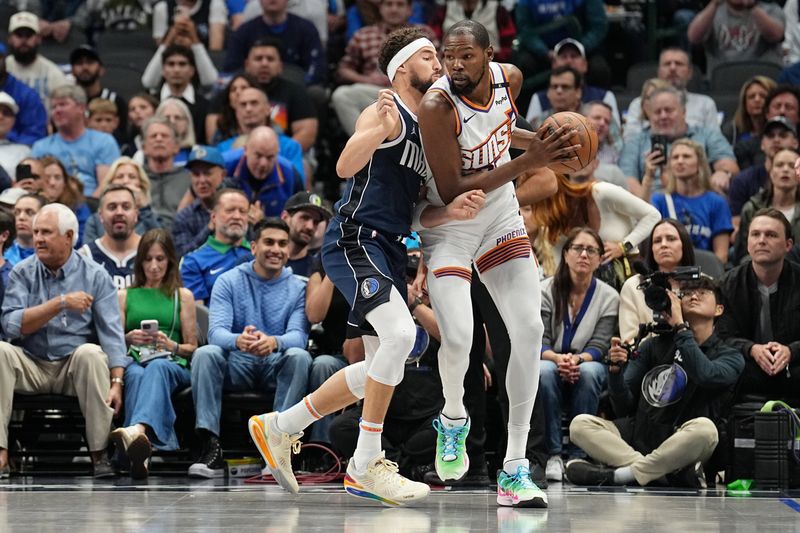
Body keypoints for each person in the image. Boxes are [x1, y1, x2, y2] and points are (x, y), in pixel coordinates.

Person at [246, 27, 485, 505]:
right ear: (402, 69)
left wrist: (450, 213)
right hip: (357, 237)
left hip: (392, 245)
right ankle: (365, 463)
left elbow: (417, 212)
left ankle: (281, 426)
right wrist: (375, 128)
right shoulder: (386, 111)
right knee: (400, 337)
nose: (438, 66)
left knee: (383, 364)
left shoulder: (428, 128)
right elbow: (344, 166)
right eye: (429, 60)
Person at [416, 20, 579, 507]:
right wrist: (534, 161)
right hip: (449, 225)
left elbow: (505, 132)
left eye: (467, 56)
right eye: (449, 56)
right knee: (461, 338)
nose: (456, 65)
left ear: (490, 55)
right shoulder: (436, 106)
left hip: (500, 214)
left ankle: (514, 468)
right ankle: (452, 417)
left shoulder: (511, 79)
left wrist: (548, 145)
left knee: (529, 329)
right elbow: (451, 191)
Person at [566, 276, 744, 488]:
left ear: (719, 310)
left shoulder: (730, 355)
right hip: (641, 437)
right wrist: (615, 373)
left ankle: (622, 475)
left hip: (684, 442)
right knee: (580, 425)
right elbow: (624, 407)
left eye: (703, 293)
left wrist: (680, 328)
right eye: (686, 293)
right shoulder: (652, 346)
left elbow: (705, 374)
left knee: (706, 430)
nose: (694, 295)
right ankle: (660, 474)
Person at [0, 203, 130, 478]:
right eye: (36, 232)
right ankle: (0, 454)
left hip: (73, 368)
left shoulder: (95, 275)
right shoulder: (22, 271)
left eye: (46, 232)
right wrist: (59, 303)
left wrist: (117, 382)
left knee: (92, 353)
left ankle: (99, 454)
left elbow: (112, 334)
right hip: (31, 364)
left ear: (69, 236)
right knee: (0, 351)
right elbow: (11, 326)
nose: (38, 239)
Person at [189, 217, 312, 478]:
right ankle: (210, 446)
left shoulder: (299, 287)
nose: (276, 249)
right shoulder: (228, 280)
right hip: (238, 363)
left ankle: (277, 446)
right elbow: (215, 333)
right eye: (268, 242)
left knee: (300, 356)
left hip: (275, 364)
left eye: (282, 244)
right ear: (253, 247)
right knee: (205, 353)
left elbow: (298, 337)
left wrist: (274, 341)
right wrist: (238, 340)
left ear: (289, 251)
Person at [111, 229, 197, 479]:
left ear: (170, 260)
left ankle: (136, 430)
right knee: (135, 374)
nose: (154, 266)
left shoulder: (183, 296)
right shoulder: (125, 296)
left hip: (173, 362)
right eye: (148, 259)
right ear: (140, 262)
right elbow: (115, 343)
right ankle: (142, 454)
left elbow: (193, 348)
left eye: (160, 259)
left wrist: (171, 345)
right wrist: (128, 338)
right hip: (137, 358)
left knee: (157, 369)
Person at [539, 227, 617, 482]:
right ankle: (553, 454)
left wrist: (577, 360)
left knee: (590, 372)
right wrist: (557, 358)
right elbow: (539, 340)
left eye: (591, 250)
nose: (584, 254)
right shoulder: (546, 289)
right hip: (551, 359)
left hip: (586, 361)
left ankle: (578, 454)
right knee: (544, 372)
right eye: (578, 248)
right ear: (566, 253)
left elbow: (601, 344)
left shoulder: (609, 296)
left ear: (599, 258)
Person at [529, 170, 661, 290]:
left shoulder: (601, 192)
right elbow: (560, 269)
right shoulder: (554, 224)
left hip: (627, 277)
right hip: (587, 289)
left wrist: (623, 246)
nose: (546, 213)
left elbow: (653, 215)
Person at [717, 208, 800, 399]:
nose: (762, 240)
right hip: (748, 367)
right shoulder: (727, 284)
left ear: (788, 245)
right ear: (747, 244)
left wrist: (791, 351)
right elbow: (721, 336)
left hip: (793, 366)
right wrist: (751, 349)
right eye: (755, 234)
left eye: (771, 235)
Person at [331, 0, 437, 136]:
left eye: (400, 5)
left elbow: (437, 66)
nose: (394, 9)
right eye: (389, 4)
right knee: (342, 95)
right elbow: (344, 69)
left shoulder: (424, 34)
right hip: (375, 91)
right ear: (380, 8)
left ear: (410, 9)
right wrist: (366, 79)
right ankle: (367, 145)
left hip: (415, 91)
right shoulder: (364, 34)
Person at [620, 86, 738, 199]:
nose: (663, 116)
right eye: (657, 112)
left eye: (669, 110)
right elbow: (628, 181)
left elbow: (729, 164)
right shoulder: (635, 142)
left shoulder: (707, 135)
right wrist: (653, 206)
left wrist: (723, 173)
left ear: (683, 112)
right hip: (652, 206)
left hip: (698, 200)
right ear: (649, 116)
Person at [651, 139, 734, 265]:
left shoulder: (717, 202)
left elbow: (721, 255)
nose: (680, 161)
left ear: (699, 163)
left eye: (686, 156)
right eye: (675, 157)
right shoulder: (660, 200)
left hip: (704, 273)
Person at [31, 85, 121, 197]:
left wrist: (87, 209)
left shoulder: (104, 142)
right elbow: (36, 186)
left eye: (63, 104)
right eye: (54, 107)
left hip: (93, 205)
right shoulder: (41, 147)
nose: (57, 110)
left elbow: (106, 185)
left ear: (81, 108)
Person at [619, 219, 696, 342]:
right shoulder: (633, 286)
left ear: (684, 245)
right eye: (657, 241)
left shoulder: (703, 283)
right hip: (647, 358)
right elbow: (630, 340)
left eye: (671, 239)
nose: (663, 245)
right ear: (651, 249)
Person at [623, 48, 720, 140]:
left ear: (690, 72)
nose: (672, 68)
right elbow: (630, 142)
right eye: (667, 64)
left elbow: (715, 142)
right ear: (659, 71)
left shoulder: (705, 104)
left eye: (679, 64)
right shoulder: (639, 103)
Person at [223, 0, 326, 87]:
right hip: (252, 90)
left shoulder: (306, 29)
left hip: (297, 90)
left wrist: (302, 86)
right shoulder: (243, 32)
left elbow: (317, 66)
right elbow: (232, 68)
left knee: (316, 93)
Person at [525, 39, 620, 132]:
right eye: (563, 56)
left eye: (574, 56)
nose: (569, 61)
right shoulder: (538, 113)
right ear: (553, 64)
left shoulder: (604, 97)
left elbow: (616, 143)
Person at [180, 188, 252, 305]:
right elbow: (198, 315)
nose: (237, 216)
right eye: (230, 210)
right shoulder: (193, 261)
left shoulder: (260, 254)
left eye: (243, 211)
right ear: (213, 217)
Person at [729, 115, 800, 225]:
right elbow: (737, 230)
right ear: (762, 144)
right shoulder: (742, 181)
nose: (776, 140)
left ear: (796, 143)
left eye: (783, 135)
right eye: (771, 136)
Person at [734, 148, 800, 264]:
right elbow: (741, 255)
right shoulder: (751, 209)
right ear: (770, 172)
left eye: (792, 166)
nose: (785, 169)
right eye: (779, 165)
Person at [224, 126, 303, 218]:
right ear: (245, 150)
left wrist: (264, 223)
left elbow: (298, 217)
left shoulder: (290, 174)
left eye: (270, 157)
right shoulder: (224, 166)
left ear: (277, 153)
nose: (263, 164)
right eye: (258, 155)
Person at [687, 0, 785, 74]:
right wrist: (713, 4)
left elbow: (776, 35)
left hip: (762, 79)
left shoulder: (771, 9)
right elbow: (693, 37)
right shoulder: (712, 12)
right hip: (723, 81)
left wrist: (753, 7)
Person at [84, 157, 161, 242]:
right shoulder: (94, 221)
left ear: (141, 184)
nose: (125, 181)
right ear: (110, 183)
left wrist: (144, 208)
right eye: (120, 177)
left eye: (132, 177)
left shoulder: (152, 216)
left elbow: (161, 244)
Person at [79, 185, 141, 290]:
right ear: (100, 215)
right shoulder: (85, 257)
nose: (119, 212)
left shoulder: (151, 252)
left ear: (136, 214)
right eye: (112, 207)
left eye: (126, 207)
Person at [139, 116, 192, 230]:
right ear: (144, 147)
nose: (159, 139)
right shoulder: (135, 178)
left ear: (176, 147)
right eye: (153, 136)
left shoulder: (190, 179)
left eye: (165, 136)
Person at [172, 145, 227, 256]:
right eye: (196, 174)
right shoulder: (183, 218)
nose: (202, 180)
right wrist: (209, 229)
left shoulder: (238, 208)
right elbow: (181, 256)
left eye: (207, 173)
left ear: (223, 175)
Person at [5, 11, 68, 107]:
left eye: (28, 35)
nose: (24, 40)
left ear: (39, 38)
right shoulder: (3, 68)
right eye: (19, 35)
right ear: (9, 39)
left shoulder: (53, 73)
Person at [70, 45, 127, 141]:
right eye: (79, 63)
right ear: (72, 71)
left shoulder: (115, 100)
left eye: (90, 62)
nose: (85, 67)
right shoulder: (67, 103)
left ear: (101, 70)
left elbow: (123, 137)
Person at [428, 0, 516, 62]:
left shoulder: (498, 9)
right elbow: (434, 38)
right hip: (450, 64)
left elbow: (508, 42)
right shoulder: (445, 9)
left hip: (491, 63)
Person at [38, 155, 91, 247]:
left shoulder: (78, 205)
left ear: (65, 183)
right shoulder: (29, 203)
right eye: (47, 178)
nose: (52, 183)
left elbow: (82, 237)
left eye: (57, 177)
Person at [0, 46, 47, 146]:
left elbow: (35, 137)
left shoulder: (27, 95)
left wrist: (5, 136)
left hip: (16, 153)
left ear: (4, 60)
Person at [280, 191, 331, 278]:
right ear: (285, 217)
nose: (310, 227)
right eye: (305, 217)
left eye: (316, 222)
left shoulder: (318, 271)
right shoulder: (260, 258)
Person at [723, 76, 777, 145]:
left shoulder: (781, 133)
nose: (757, 100)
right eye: (751, 97)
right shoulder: (733, 132)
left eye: (763, 96)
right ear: (744, 103)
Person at [5, 193, 45, 266]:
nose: (21, 217)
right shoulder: (3, 252)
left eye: (30, 212)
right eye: (17, 212)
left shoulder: (53, 256)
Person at [154, 97, 196, 166]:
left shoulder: (197, 152)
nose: (172, 122)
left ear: (187, 122)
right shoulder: (142, 155)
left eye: (177, 117)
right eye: (166, 117)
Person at [0, 92, 31, 178]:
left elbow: (26, 185)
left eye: (6, 113)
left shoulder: (23, 152)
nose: (0, 116)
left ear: (13, 120)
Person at [121, 93, 159, 157]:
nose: (137, 111)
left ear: (155, 110)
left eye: (143, 107)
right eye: (132, 109)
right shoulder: (127, 149)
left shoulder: (166, 139)